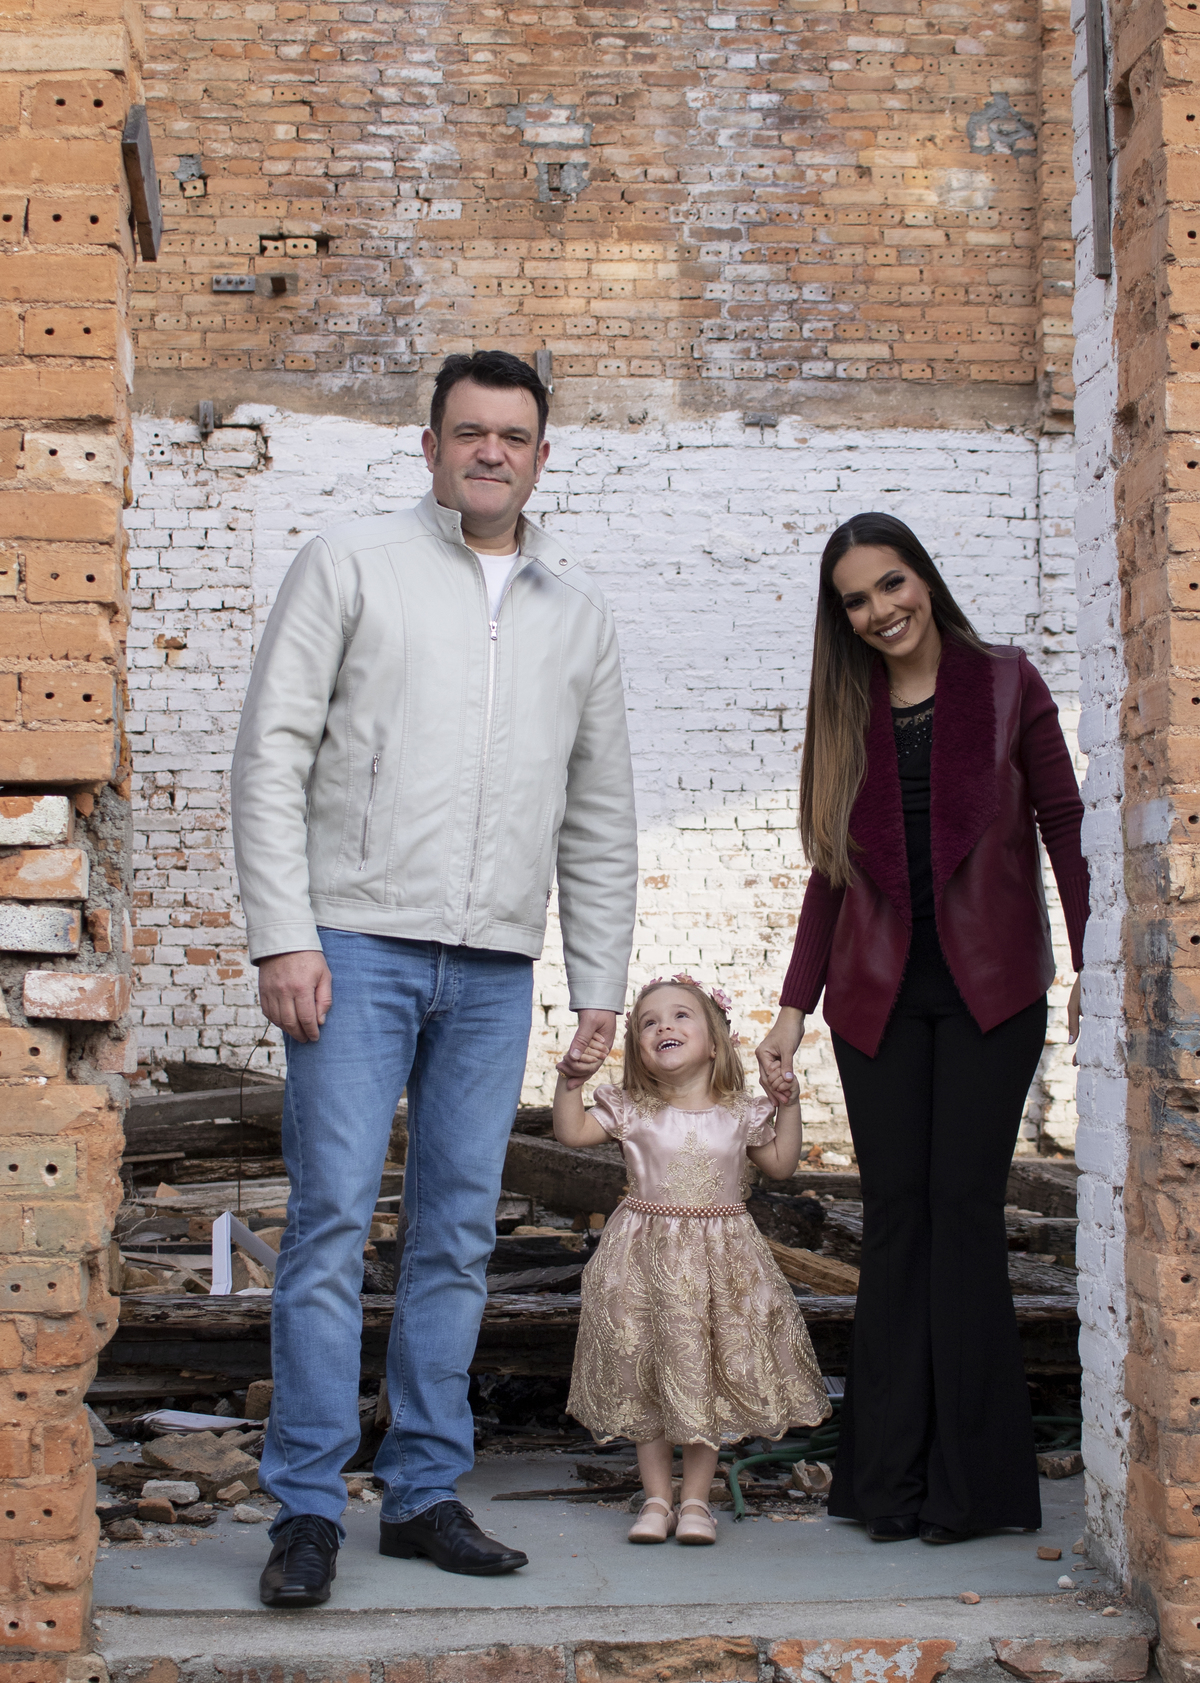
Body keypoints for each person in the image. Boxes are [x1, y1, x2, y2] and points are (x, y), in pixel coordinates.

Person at [231, 349, 638, 1607]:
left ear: (541, 457)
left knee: (457, 1234)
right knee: (331, 1225)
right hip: (353, 946)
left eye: (512, 436)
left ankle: (419, 1493)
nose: (490, 452)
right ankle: (307, 1506)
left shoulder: (576, 614)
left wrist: (600, 981)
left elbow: (599, 810)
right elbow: (272, 751)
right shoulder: (351, 564)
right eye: (469, 432)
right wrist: (283, 934)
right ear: (431, 446)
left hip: (495, 965)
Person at [755, 513, 1088, 1547]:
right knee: (897, 1221)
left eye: (891, 584)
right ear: (843, 619)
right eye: (856, 600)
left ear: (925, 580)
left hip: (994, 992)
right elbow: (829, 872)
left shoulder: (1008, 683)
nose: (880, 611)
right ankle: (887, 1485)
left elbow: (1065, 826)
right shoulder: (844, 710)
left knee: (963, 1214)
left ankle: (972, 1490)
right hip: (877, 1002)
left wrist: (1097, 964)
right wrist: (791, 1008)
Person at [556, 975, 830, 1546]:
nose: (664, 1026)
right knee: (650, 1375)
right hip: (642, 1261)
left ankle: (698, 1500)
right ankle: (657, 1499)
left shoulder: (740, 1112)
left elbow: (782, 1164)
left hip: (719, 1264)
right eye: (649, 1022)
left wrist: (789, 1104)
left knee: (702, 1375)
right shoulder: (632, 1108)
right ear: (638, 1048)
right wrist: (570, 1082)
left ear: (714, 1042)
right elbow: (572, 1132)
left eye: (681, 1015)